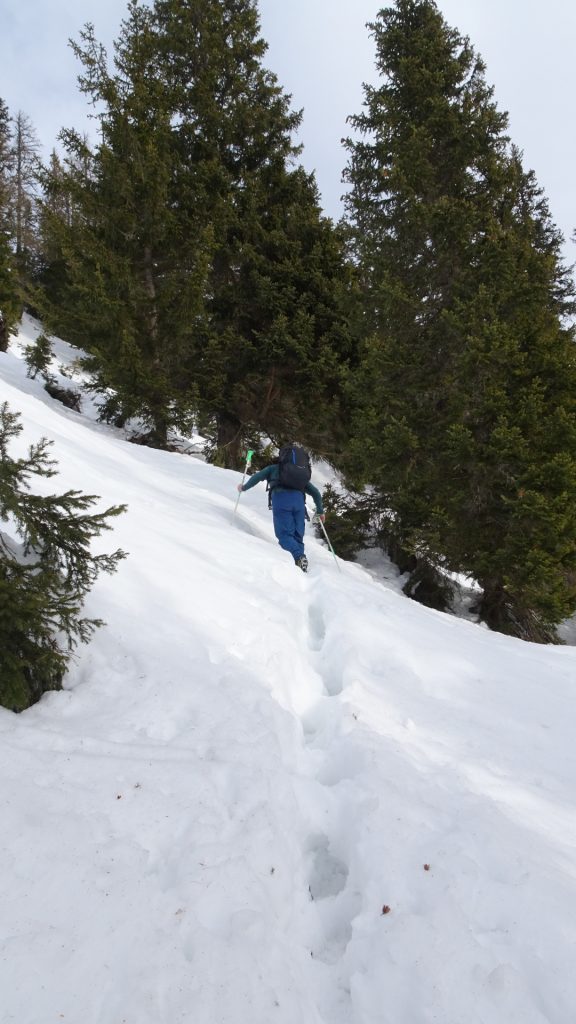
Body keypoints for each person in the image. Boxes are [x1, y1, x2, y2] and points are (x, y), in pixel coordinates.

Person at [237, 454, 325, 572]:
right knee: (297, 535)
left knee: (284, 535)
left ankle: (299, 557)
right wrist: (320, 511)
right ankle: (300, 564)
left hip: (281, 501)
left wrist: (244, 487)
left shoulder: (272, 468)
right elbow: (315, 492)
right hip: (299, 503)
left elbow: (257, 477)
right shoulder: (298, 475)